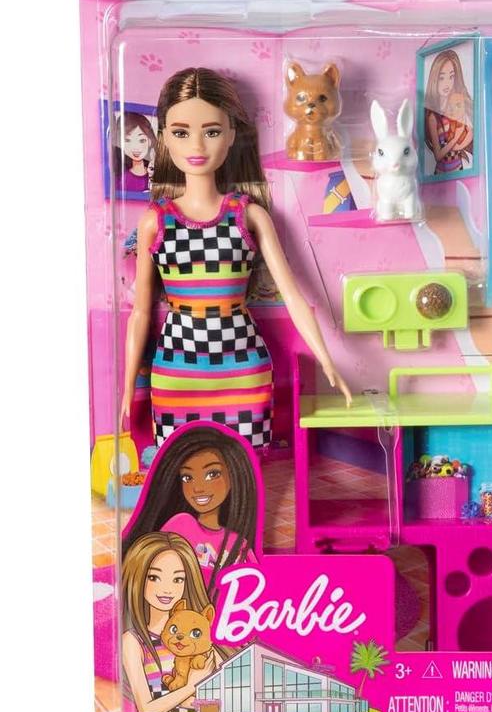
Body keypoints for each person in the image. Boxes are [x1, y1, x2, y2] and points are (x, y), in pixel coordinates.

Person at [120, 67, 351, 448]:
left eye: (211, 131)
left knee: (247, 466)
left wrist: (327, 360)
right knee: (180, 463)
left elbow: (293, 296)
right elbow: (141, 312)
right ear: (163, 137)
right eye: (181, 132)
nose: (197, 146)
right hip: (178, 365)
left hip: (242, 364)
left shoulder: (248, 215)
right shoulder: (155, 221)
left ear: (231, 135)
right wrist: (128, 384)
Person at [122, 424, 258, 593]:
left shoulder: (238, 543)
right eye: (187, 477)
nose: (198, 488)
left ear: (234, 476)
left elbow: (257, 585)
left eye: (212, 474)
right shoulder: (179, 526)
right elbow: (150, 566)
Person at [121, 532, 226, 712]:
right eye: (154, 577)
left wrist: (193, 702)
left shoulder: (199, 636)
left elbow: (227, 697)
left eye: (178, 579)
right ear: (137, 577)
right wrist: (191, 686)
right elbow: (147, 709)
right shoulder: (133, 641)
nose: (167, 589)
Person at [423, 49, 474, 174]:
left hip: (460, 168)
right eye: (441, 78)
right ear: (434, 79)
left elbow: (469, 131)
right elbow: (438, 156)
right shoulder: (433, 116)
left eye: (451, 77)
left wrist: (461, 141)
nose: (447, 84)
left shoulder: (457, 103)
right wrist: (455, 140)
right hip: (442, 173)